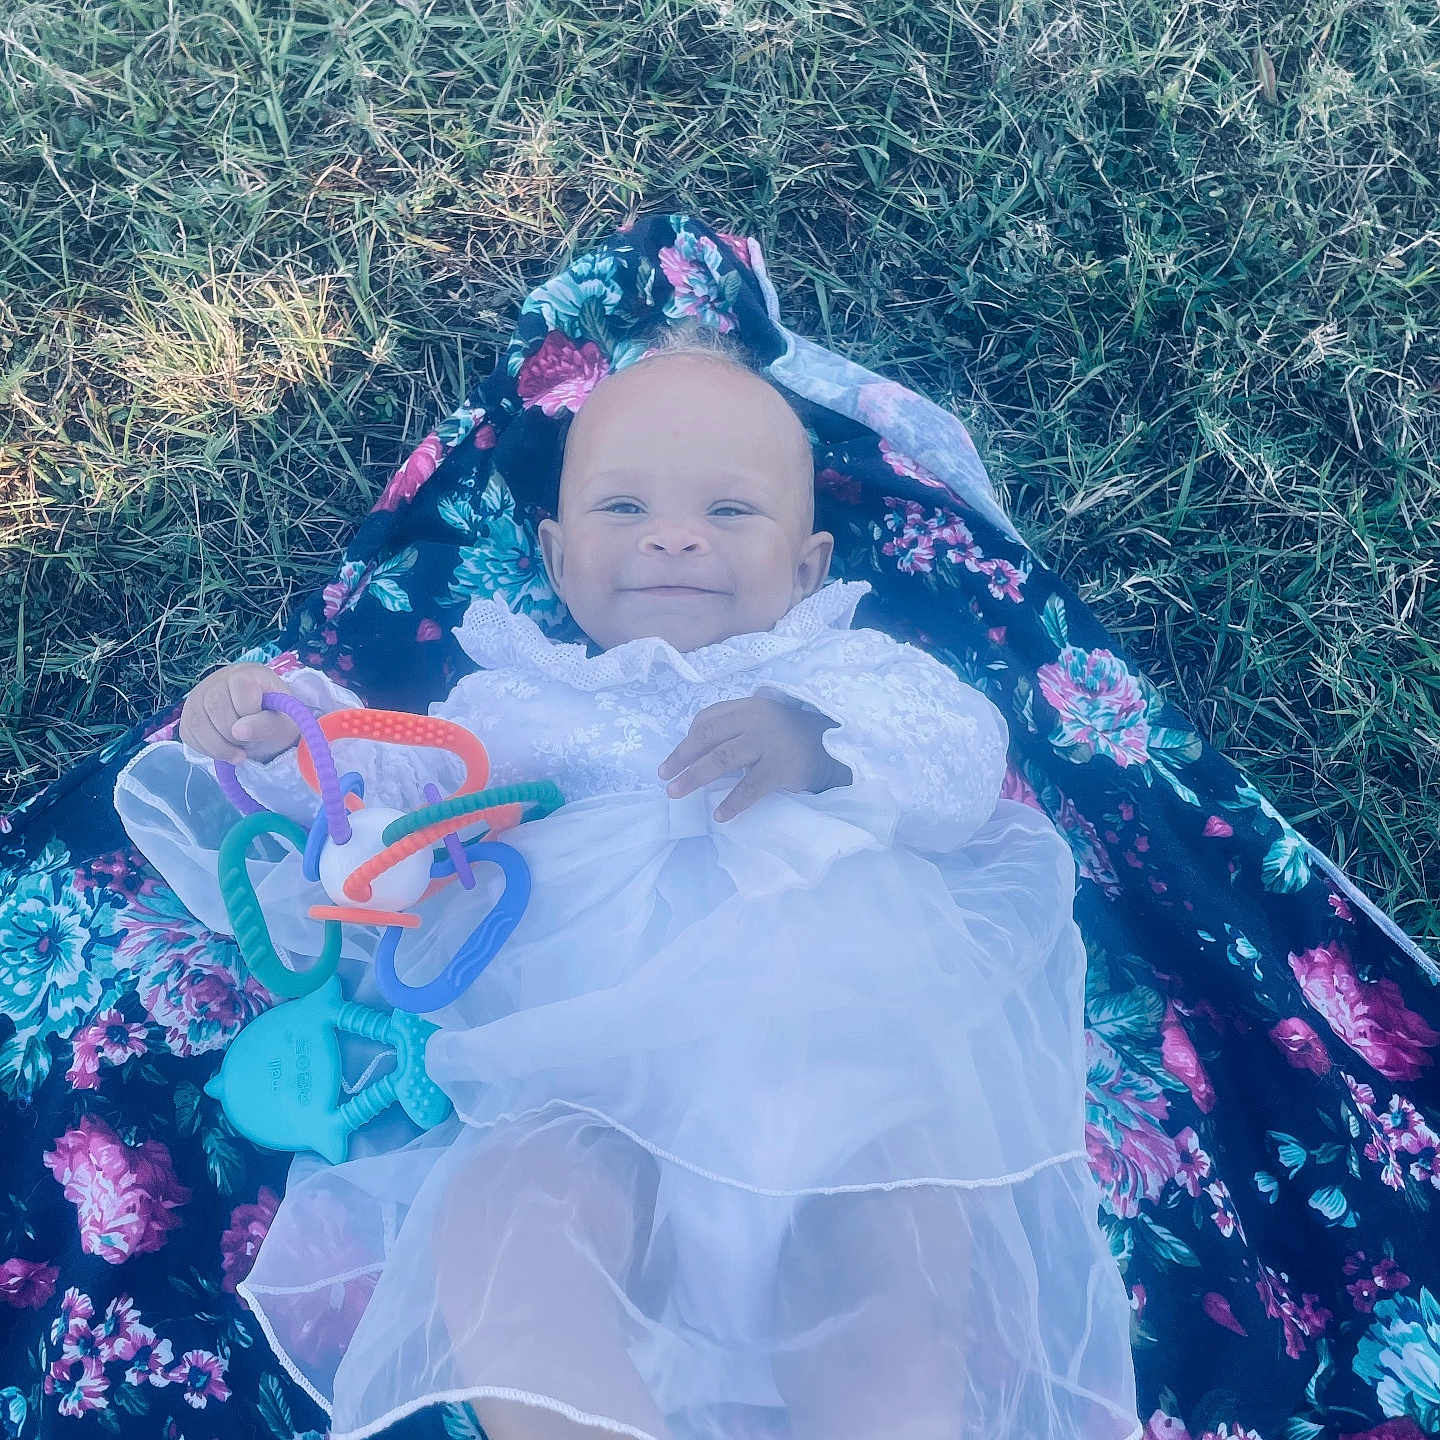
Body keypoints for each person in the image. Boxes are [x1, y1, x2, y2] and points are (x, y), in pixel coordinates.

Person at [114, 323, 1141, 1440]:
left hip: (844, 1081)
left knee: (897, 1273)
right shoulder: (518, 701)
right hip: (587, 1086)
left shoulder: (844, 669)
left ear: (807, 569)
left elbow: (961, 760)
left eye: (728, 512)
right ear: (555, 561)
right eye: (624, 510)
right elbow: (404, 794)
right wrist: (292, 732)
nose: (675, 542)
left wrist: (815, 740)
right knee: (501, 1224)